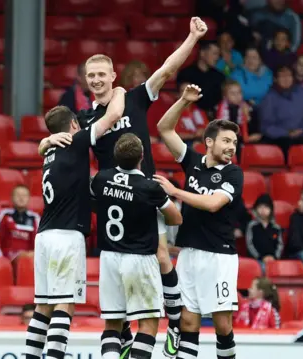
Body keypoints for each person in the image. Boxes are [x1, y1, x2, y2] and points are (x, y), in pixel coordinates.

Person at [38, 18, 208, 358]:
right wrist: (43, 142)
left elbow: (166, 70)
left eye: (103, 74)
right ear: (86, 81)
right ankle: (128, 332)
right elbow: (57, 143)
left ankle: (173, 324)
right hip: (111, 195)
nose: (97, 79)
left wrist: (192, 37)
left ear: (113, 76)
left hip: (145, 193)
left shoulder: (133, 98)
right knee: (116, 266)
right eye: (92, 75)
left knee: (161, 256)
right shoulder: (85, 119)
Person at [25, 92, 125, 359]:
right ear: (72, 126)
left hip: (45, 235)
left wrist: (44, 140)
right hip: (66, 236)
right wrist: (121, 91)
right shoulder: (75, 141)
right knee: (64, 305)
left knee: (43, 307)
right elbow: (114, 115)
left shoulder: (49, 151)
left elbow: (43, 146)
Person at [155, 84, 244, 359]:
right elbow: (164, 129)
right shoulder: (192, 160)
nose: (231, 147)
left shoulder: (233, 173)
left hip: (220, 257)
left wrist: (176, 191)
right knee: (188, 323)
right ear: (209, 142)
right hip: (190, 255)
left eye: (234, 142)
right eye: (226, 141)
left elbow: (214, 203)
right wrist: (183, 101)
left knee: (222, 325)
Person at [91, 134, 183, 359]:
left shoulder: (100, 178)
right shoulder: (149, 188)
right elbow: (176, 218)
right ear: (143, 157)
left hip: (109, 257)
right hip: (139, 258)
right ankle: (175, 324)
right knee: (148, 324)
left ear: (115, 156)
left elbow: (94, 204)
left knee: (112, 324)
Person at [0, 185, 39, 262]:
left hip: (29, 257)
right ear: (11, 198)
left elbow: (39, 242)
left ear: (29, 199)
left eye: (24, 195)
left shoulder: (35, 217)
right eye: (18, 195)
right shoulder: (4, 214)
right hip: (7, 256)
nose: (21, 198)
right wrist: (1, 258)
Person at [245, 194, 284, 273]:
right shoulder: (252, 226)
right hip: (257, 260)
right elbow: (249, 244)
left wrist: (275, 257)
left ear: (271, 210)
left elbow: (280, 244)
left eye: (266, 207)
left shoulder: (276, 227)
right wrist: (260, 257)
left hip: (273, 259)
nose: (263, 210)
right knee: (263, 268)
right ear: (256, 209)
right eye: (260, 207)